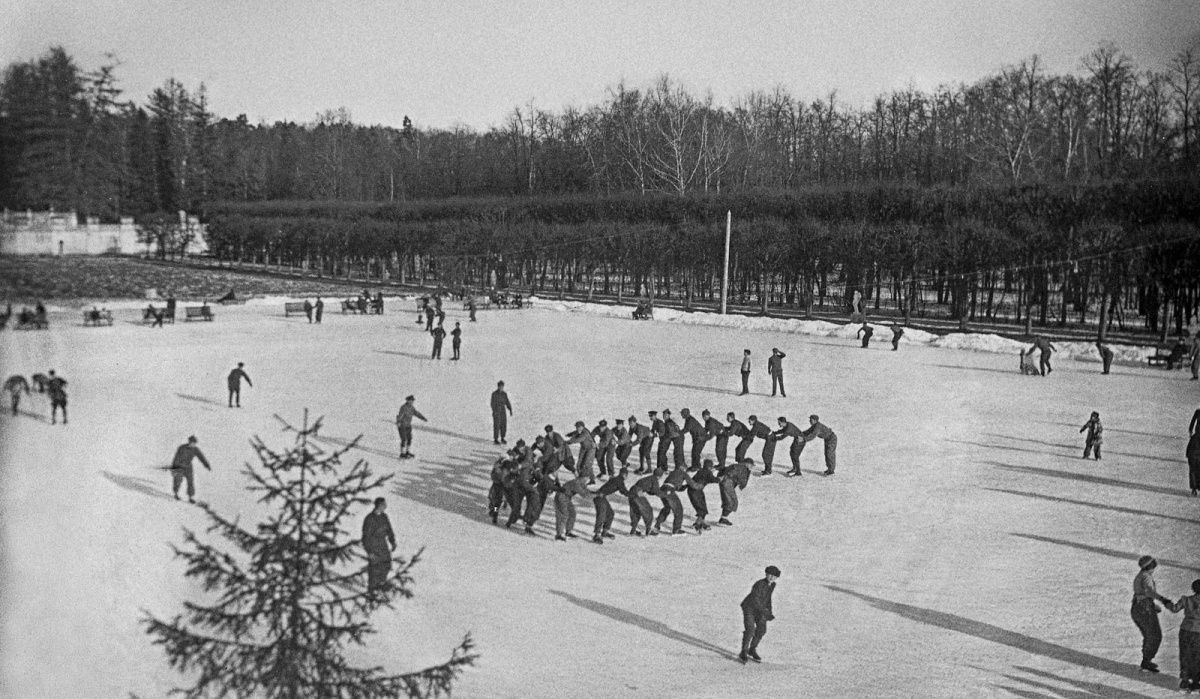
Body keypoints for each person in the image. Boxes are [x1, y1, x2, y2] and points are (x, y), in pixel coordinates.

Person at [1132, 555, 1172, 673]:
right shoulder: (1146, 577)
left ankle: (1146, 660)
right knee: (1155, 635)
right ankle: (1146, 661)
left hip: (1138, 608)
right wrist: (1163, 599)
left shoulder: (1141, 575)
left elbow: (1141, 594)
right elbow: (1149, 591)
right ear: (1150, 566)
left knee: (1149, 635)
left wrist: (1152, 605)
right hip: (1144, 609)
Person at [1164, 578, 1200, 692]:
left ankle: (1184, 680)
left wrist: (1166, 602)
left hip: (1185, 631)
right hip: (1198, 632)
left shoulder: (1186, 599)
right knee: (1197, 657)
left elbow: (1174, 609)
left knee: (1185, 654)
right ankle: (1195, 681)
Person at [740, 566, 780, 663]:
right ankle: (744, 651)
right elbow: (755, 599)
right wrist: (765, 612)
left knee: (762, 629)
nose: (771, 577)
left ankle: (752, 649)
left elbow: (768, 599)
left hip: (760, 610)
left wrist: (769, 611)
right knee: (750, 629)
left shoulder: (772, 585)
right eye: (770, 575)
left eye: (774, 576)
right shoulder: (759, 584)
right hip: (749, 608)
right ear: (766, 574)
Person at [362, 497, 397, 593]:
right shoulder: (369, 519)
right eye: (383, 505)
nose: (385, 506)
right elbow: (366, 537)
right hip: (373, 545)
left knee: (386, 564)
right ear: (379, 505)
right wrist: (369, 551)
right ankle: (371, 590)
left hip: (382, 544)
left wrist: (392, 541)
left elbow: (389, 530)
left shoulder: (384, 517)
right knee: (374, 568)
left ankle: (380, 584)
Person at [169, 435, 212, 503]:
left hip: (188, 467)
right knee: (178, 480)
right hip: (180, 466)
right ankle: (176, 493)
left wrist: (207, 465)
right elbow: (176, 458)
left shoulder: (195, 449)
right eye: (192, 442)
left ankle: (190, 497)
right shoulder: (182, 448)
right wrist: (174, 469)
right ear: (189, 442)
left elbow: (201, 457)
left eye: (194, 443)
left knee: (190, 482)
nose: (193, 444)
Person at [593, 467, 629, 543]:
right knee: (601, 515)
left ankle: (605, 531)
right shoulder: (619, 481)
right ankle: (597, 534)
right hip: (599, 497)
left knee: (610, 513)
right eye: (626, 475)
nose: (626, 476)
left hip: (601, 497)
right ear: (624, 474)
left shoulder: (616, 479)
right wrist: (634, 494)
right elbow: (624, 491)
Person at [553, 474, 592, 541]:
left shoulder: (581, 483)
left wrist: (596, 493)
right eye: (586, 478)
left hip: (567, 498)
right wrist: (597, 495)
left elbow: (586, 491)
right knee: (563, 515)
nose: (587, 480)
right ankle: (559, 535)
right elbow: (584, 495)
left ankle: (568, 531)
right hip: (561, 497)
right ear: (581, 477)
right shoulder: (576, 483)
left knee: (572, 513)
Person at [717, 458, 752, 525]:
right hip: (728, 482)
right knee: (732, 501)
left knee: (728, 500)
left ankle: (723, 518)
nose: (751, 467)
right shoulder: (743, 468)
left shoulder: (737, 466)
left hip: (725, 481)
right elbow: (743, 483)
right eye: (751, 465)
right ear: (747, 464)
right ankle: (723, 519)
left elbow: (723, 470)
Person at [1188, 409, 1200, 497]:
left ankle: (1194, 488)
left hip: (1195, 442)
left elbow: (1192, 424)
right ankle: (1194, 488)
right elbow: (1192, 423)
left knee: (1193, 467)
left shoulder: (1198, 411)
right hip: (1195, 441)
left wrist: (1190, 431)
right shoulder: (1198, 411)